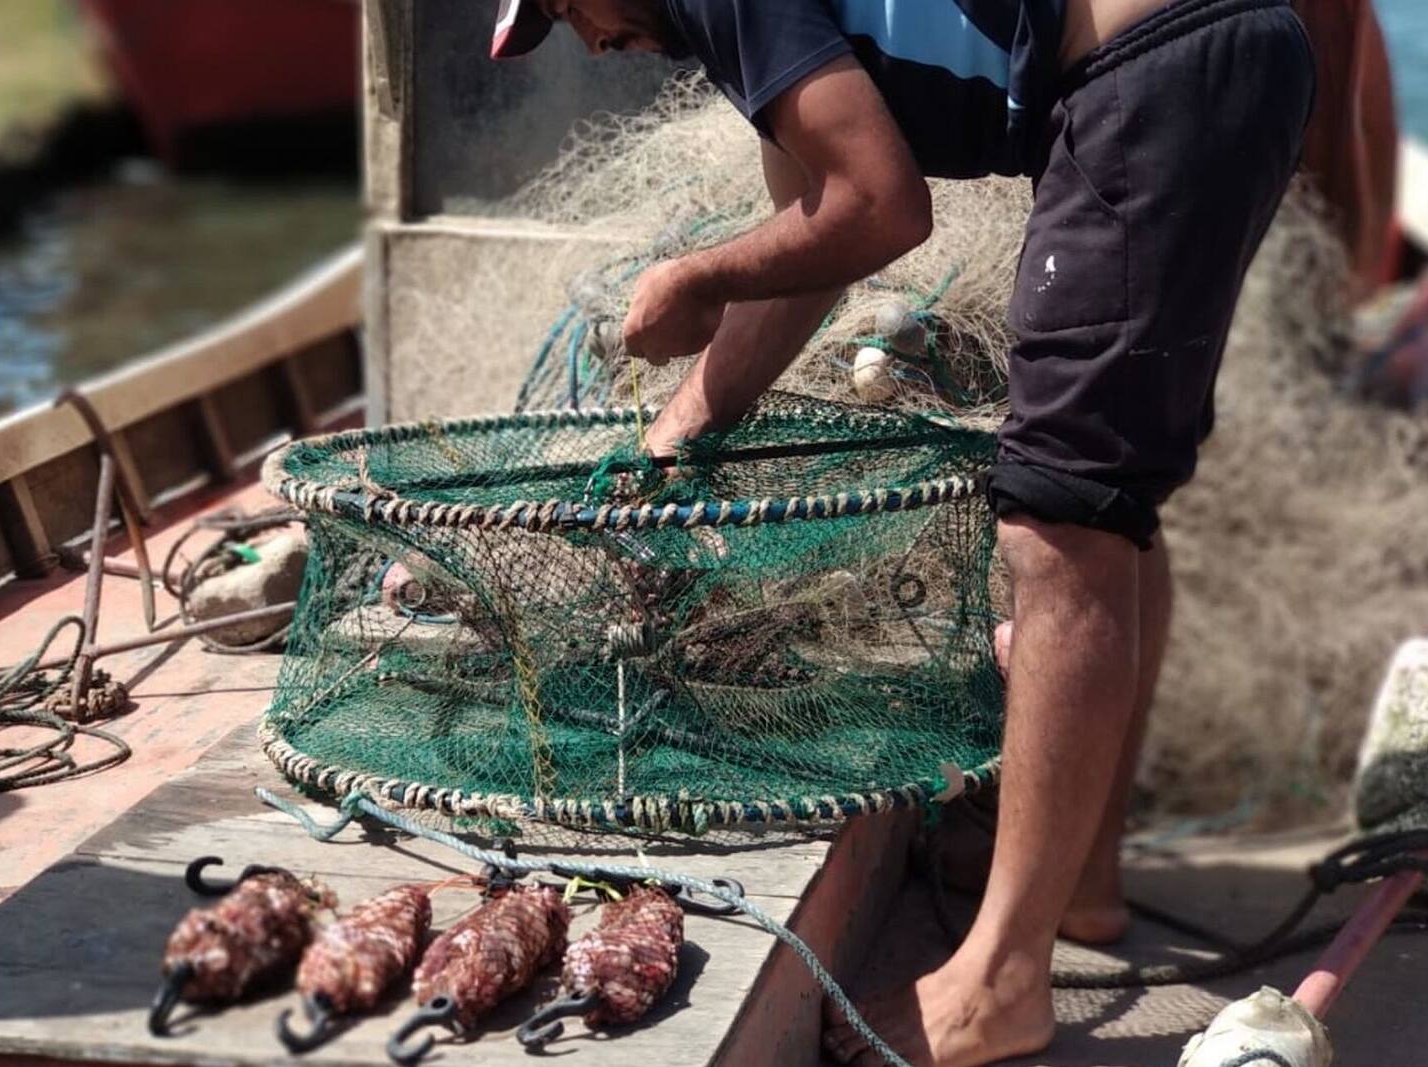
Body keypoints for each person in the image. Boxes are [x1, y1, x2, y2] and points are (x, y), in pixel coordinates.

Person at [491, 1, 1315, 1064]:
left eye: (565, 8)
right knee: (1107, 501)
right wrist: (679, 429)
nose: (591, 43)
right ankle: (1085, 881)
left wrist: (695, 275)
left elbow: (884, 208)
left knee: (1061, 520)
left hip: (1157, 67)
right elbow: (818, 237)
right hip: (1204, 57)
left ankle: (1001, 981)